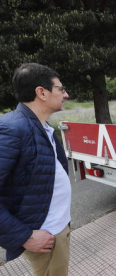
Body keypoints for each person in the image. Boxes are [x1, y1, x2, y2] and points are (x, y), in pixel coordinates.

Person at [0, 63, 71, 275]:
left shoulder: (42, 127)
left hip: (57, 227)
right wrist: (24, 236)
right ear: (41, 92)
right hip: (44, 235)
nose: (65, 94)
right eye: (60, 89)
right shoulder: (12, 129)